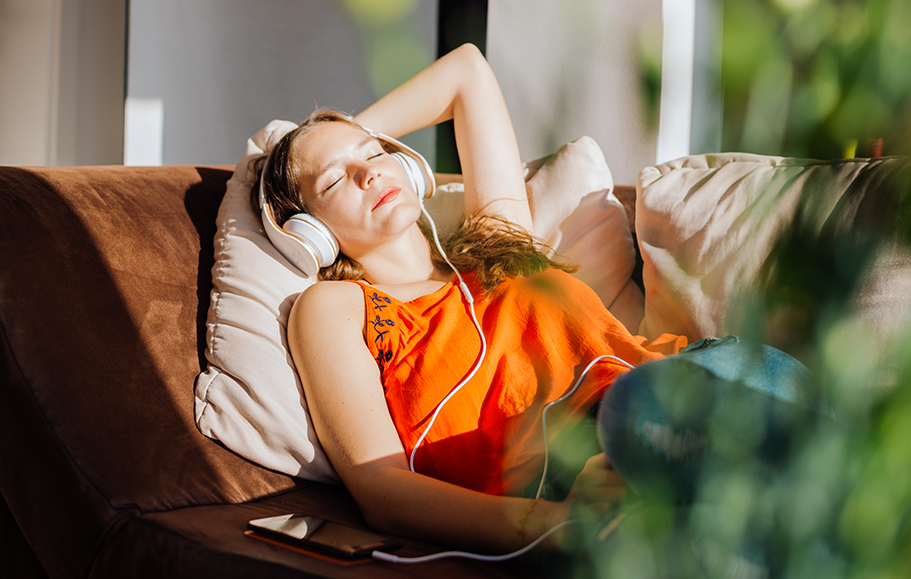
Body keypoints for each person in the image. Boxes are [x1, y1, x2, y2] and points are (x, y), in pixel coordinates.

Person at [253, 44, 826, 560]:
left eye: (374, 155)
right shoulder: (335, 307)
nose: (367, 174)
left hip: (698, 377)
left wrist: (345, 138)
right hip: (595, 462)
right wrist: (555, 521)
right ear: (308, 232)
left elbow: (468, 73)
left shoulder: (494, 245)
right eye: (333, 182)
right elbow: (381, 489)